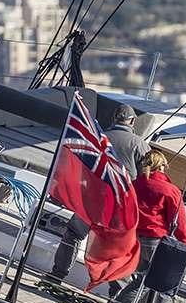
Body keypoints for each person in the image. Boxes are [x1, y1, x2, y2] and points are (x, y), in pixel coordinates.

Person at [46, 104, 151, 287]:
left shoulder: (99, 138)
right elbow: (146, 180)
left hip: (91, 200)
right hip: (119, 206)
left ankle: (57, 274)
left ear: (114, 118)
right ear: (133, 121)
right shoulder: (140, 145)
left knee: (73, 234)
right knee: (118, 250)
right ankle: (115, 291)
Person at [104, 149, 186, 303]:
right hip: (154, 242)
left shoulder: (134, 184)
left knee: (143, 278)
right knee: (151, 281)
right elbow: (179, 222)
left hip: (131, 237)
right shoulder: (170, 191)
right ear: (162, 167)